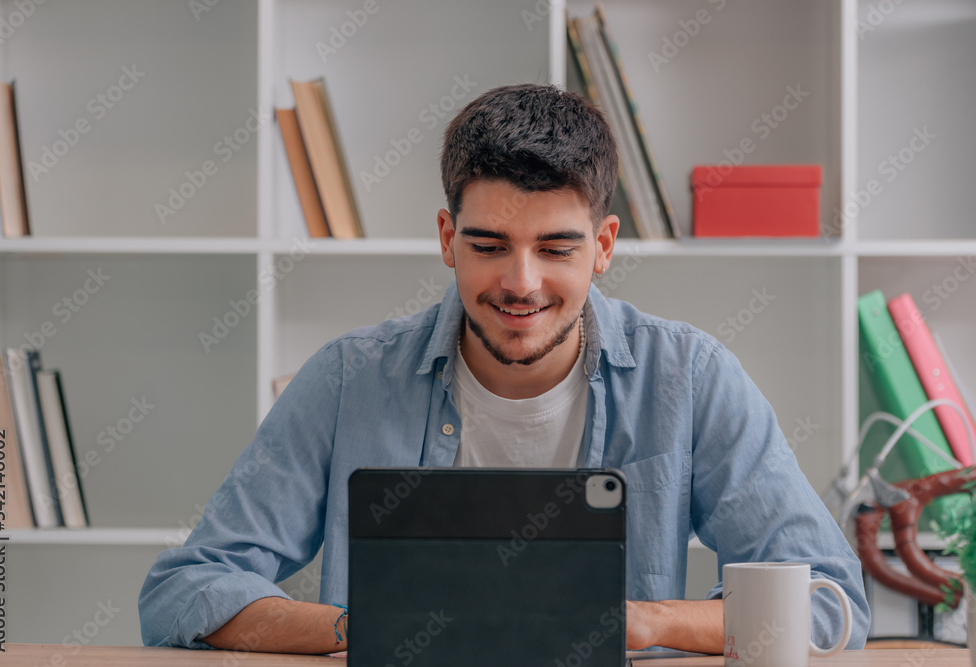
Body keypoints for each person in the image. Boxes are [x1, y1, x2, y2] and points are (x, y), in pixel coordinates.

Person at [139, 83, 869, 654]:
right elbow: (185, 590)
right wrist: (359, 630)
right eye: (489, 245)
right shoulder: (345, 381)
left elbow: (830, 600)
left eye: (556, 248)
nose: (521, 283)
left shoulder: (690, 377)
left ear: (605, 245)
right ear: (447, 238)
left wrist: (640, 622)